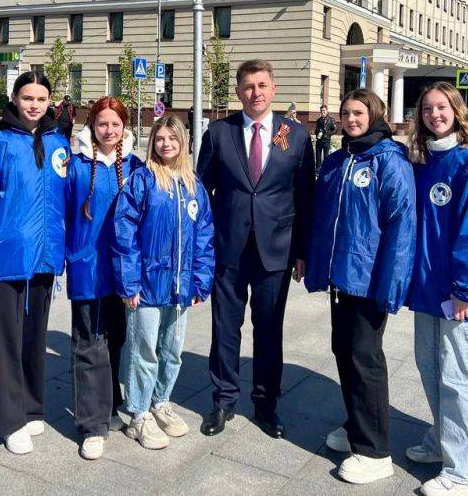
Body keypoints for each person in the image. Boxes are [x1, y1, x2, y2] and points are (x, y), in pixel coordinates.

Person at [197, 59, 315, 438]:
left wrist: (302, 251)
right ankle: (223, 400)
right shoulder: (219, 132)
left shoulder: (295, 135)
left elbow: (305, 196)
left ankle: (266, 404)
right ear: (238, 92)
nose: (256, 93)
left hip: (275, 250)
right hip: (228, 249)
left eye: (262, 85)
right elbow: (202, 190)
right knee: (225, 328)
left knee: (269, 330)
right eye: (248, 86)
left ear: (274, 89)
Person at [305, 90, 416, 485]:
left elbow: (402, 226)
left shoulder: (389, 160)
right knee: (345, 350)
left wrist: (391, 284)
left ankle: (374, 451)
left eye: (359, 113)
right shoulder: (338, 160)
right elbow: (323, 218)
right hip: (342, 278)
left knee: (365, 358)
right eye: (346, 113)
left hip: (369, 280)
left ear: (376, 115)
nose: (352, 119)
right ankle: (356, 426)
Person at [0, 72, 70, 455]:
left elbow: (66, 199)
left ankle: (32, 405)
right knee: (6, 340)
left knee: (34, 337)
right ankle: (9, 421)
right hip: (6, 255)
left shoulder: (59, 142)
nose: (34, 105)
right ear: (15, 98)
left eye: (41, 99)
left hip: (45, 257)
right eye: (27, 98)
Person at [405, 82, 468, 496]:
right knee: (430, 368)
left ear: (457, 111)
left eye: (441, 107)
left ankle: (465, 472)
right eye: (427, 108)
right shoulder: (423, 161)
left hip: (458, 292)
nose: (434, 114)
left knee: (461, 377)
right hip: (426, 288)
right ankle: (444, 441)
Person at [113, 116, 215, 449]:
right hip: (146, 285)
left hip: (180, 287)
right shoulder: (142, 180)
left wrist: (200, 281)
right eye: (160, 138)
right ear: (152, 142)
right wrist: (130, 283)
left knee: (172, 351)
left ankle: (161, 401)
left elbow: (204, 236)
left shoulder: (193, 184)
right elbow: (124, 233)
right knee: (144, 351)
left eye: (172, 138)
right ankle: (138, 412)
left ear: (183, 142)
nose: (166, 144)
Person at [65, 96, 144, 460]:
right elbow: (62, 212)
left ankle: (111, 404)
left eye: (115, 124)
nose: (109, 130)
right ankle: (92, 424)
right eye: (102, 124)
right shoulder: (76, 165)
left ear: (124, 127)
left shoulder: (136, 166)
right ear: (92, 126)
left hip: (123, 271)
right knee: (89, 343)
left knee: (117, 340)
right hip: (88, 268)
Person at [314, 104, 337, 170]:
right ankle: (317, 170)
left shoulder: (331, 119)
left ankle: (325, 169)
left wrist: (329, 134)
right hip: (319, 140)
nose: (322, 112)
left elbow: (335, 129)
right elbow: (316, 129)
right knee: (318, 157)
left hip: (326, 141)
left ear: (327, 111)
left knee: (326, 157)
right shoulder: (319, 120)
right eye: (321, 111)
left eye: (324, 111)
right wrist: (317, 133)